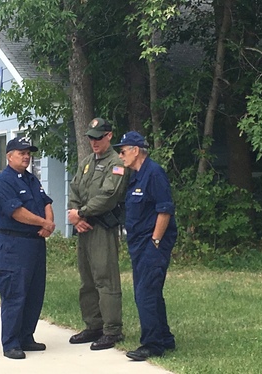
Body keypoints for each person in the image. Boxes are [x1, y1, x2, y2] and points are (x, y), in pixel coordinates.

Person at [113, 131, 177, 361]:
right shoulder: (135, 176)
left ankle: (152, 344)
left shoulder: (154, 173)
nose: (120, 156)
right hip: (139, 243)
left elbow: (165, 209)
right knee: (151, 291)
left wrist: (156, 241)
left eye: (123, 151)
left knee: (145, 293)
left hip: (153, 242)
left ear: (136, 150)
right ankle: (165, 338)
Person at [0, 136, 55, 360]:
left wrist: (48, 223)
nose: (26, 156)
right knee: (15, 293)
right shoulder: (4, 182)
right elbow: (16, 212)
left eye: (28, 152)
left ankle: (26, 336)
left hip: (35, 244)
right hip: (14, 244)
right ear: (9, 156)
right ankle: (11, 342)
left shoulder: (31, 179)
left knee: (34, 293)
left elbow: (46, 201)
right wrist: (43, 223)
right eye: (21, 152)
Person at [68, 117, 129, 351]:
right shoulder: (86, 163)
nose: (94, 142)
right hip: (84, 228)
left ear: (109, 136)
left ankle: (112, 329)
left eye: (98, 138)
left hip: (102, 227)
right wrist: (75, 216)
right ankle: (93, 325)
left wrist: (81, 213)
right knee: (87, 279)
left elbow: (108, 196)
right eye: (91, 138)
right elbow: (74, 189)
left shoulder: (117, 163)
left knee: (105, 278)